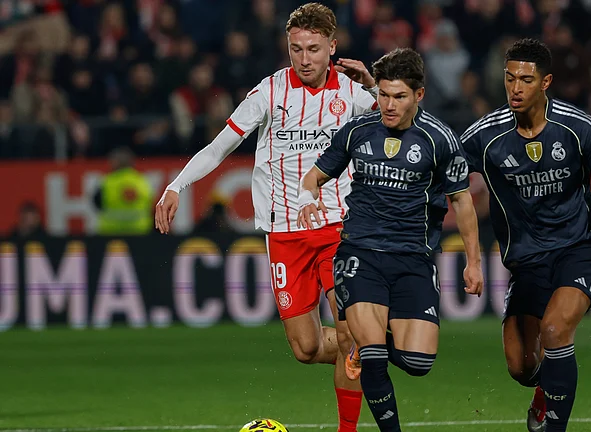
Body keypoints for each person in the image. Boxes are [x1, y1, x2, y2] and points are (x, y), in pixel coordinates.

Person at [154, 4, 378, 431]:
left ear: (333, 47)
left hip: (339, 229)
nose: (305, 58)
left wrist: (375, 84)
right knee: (306, 348)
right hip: (284, 234)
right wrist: (175, 185)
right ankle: (372, 345)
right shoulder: (269, 92)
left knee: (348, 330)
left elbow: (412, 123)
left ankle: (348, 418)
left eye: (314, 49)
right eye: (296, 49)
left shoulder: (353, 93)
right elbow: (219, 147)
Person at [460, 38, 591, 432]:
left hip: (579, 247)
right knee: (522, 366)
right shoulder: (486, 135)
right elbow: (439, 170)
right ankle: (544, 390)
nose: (516, 88)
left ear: (546, 82)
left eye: (526, 80)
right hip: (527, 262)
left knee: (554, 330)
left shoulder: (578, 126)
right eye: (510, 78)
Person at [298, 47, 484, 432]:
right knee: (374, 357)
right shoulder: (357, 130)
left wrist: (474, 261)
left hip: (413, 258)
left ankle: (369, 340)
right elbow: (314, 176)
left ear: (419, 95)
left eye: (399, 96)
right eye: (383, 94)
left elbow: (461, 200)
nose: (388, 104)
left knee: (418, 363)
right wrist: (307, 199)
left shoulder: (439, 139)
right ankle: (368, 353)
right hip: (360, 254)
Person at [94, 147, 153, 236]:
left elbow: (97, 203)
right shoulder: (142, 181)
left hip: (112, 231)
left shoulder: (107, 182)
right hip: (139, 230)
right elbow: (150, 203)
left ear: (116, 162)